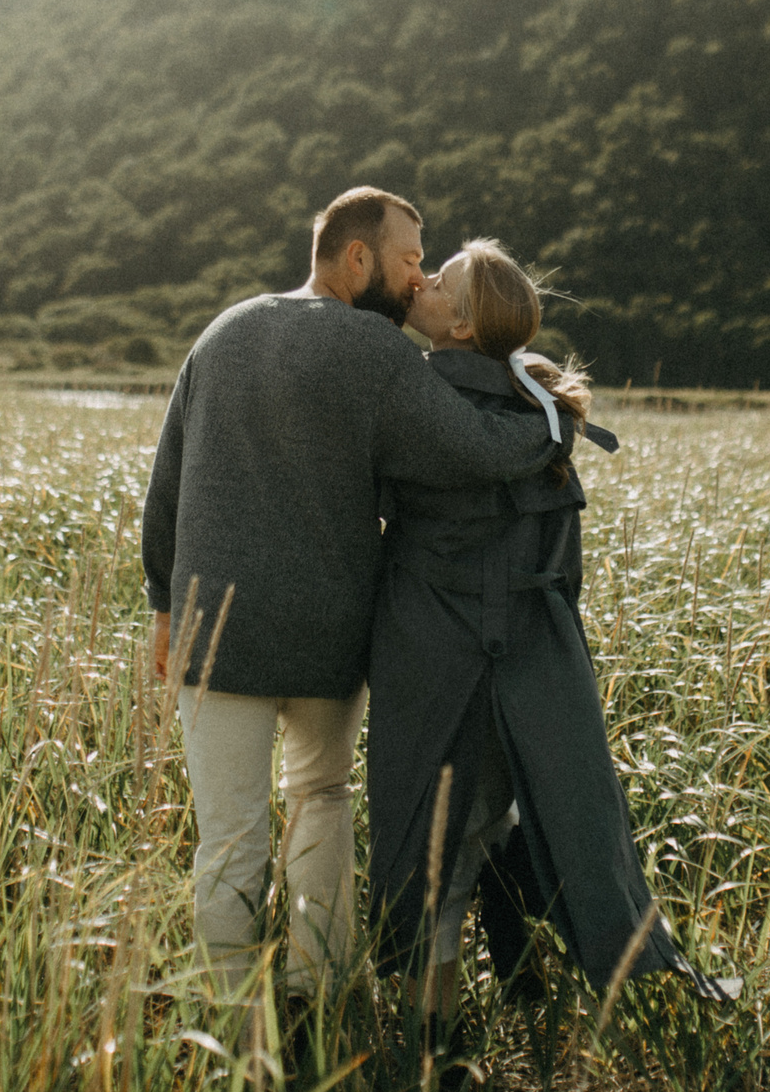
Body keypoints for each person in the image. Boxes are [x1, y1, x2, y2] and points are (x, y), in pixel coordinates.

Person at [140, 188, 561, 1024]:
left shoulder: (221, 330)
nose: (417, 281)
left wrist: (163, 605)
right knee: (321, 797)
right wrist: (551, 420)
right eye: (410, 260)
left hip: (214, 633)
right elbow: (471, 449)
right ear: (358, 258)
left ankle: (231, 1021)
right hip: (329, 640)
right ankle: (319, 992)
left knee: (228, 837)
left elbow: (167, 481)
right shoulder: (376, 351)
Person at [367, 238, 718, 1044]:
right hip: (534, 661)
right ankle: (517, 928)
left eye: (438, 277)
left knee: (432, 847)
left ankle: (439, 1043)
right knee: (497, 812)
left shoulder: (417, 401)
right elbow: (563, 571)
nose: (418, 279)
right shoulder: (543, 412)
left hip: (436, 662)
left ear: (460, 322)